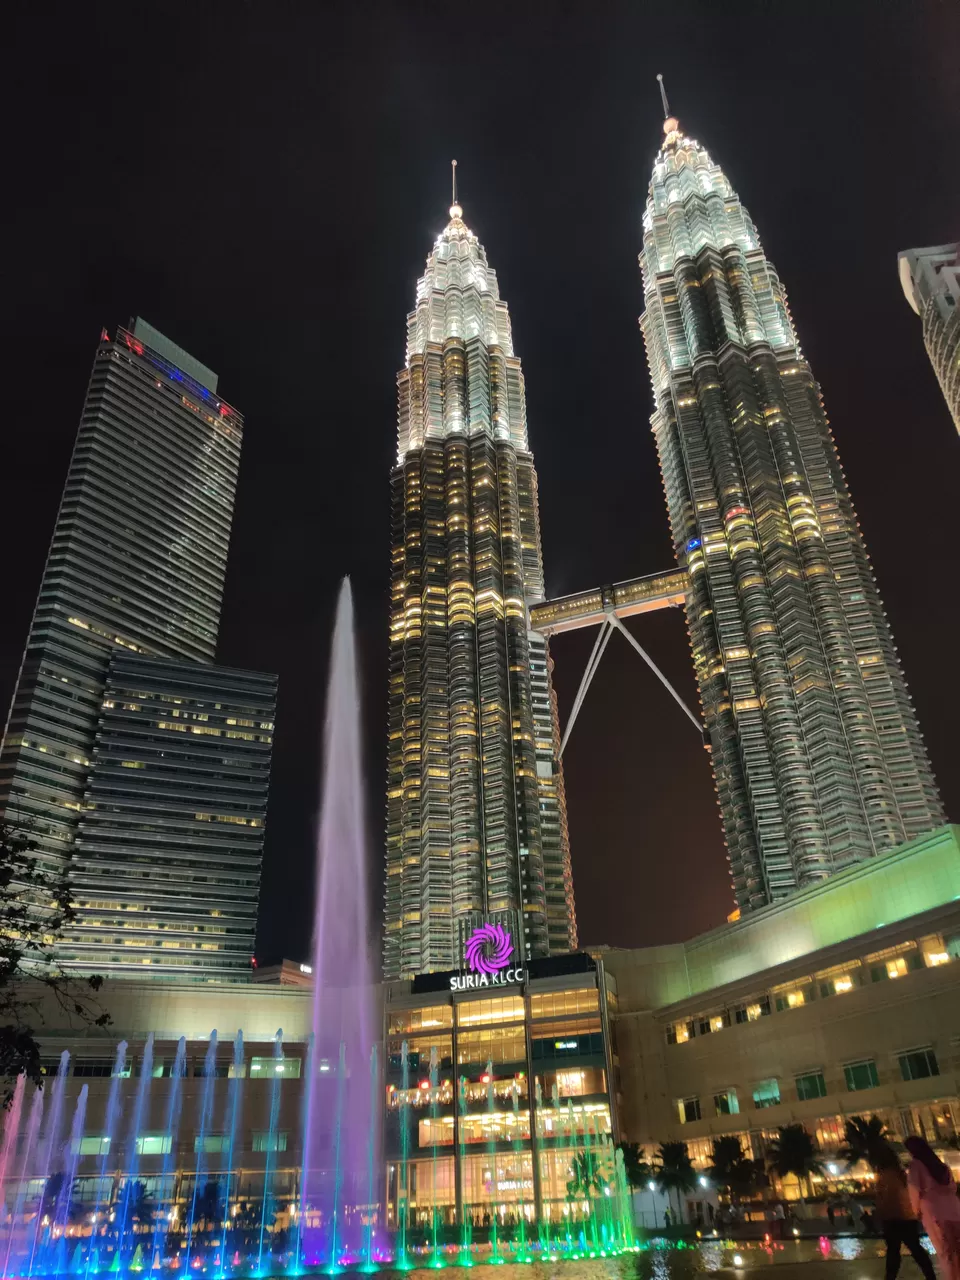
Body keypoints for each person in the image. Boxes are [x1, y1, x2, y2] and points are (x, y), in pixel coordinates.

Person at [873, 1144, 937, 1280]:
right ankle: (931, 1276)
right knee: (916, 1249)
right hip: (908, 1217)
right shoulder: (901, 1173)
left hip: (892, 1219)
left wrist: (879, 1215)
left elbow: (883, 1199)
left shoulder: (883, 1176)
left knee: (893, 1253)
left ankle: (890, 1278)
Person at [905, 1136, 960, 1280]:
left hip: (934, 1212)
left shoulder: (916, 1166)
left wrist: (915, 1211)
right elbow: (953, 1188)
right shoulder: (942, 1166)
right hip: (955, 1210)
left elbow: (914, 1190)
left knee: (945, 1252)